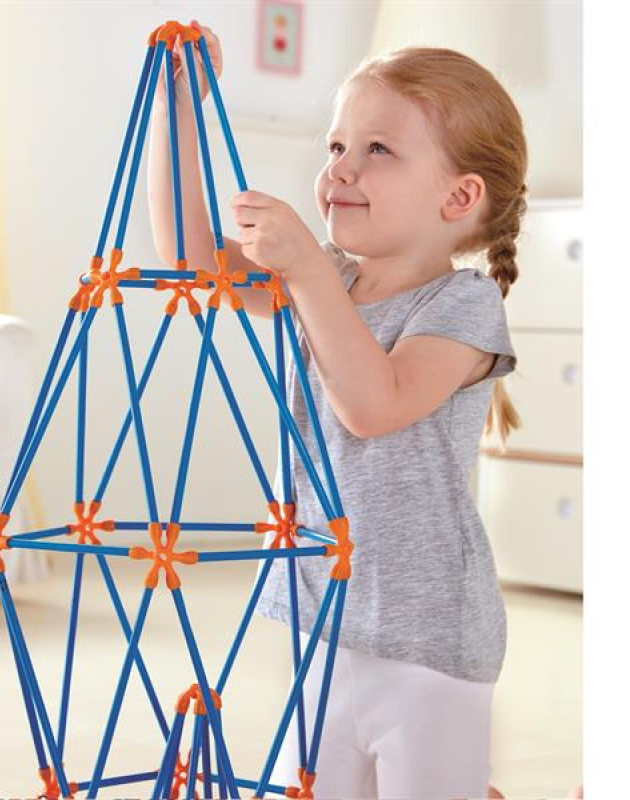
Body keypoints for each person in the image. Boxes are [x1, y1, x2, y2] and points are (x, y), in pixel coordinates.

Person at [148, 19, 526, 800]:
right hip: (321, 621)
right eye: (335, 145)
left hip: (430, 644)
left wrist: (304, 271)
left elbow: (374, 405)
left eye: (377, 149)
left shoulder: (463, 303)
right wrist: (179, 109)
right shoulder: (327, 279)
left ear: (459, 196)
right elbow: (190, 256)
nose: (340, 169)